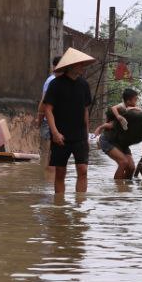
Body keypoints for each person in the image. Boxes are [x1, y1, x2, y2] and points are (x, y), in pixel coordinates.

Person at [42, 48, 95, 196]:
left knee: (83, 170)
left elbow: (85, 111)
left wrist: (86, 135)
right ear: (71, 66)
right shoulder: (55, 84)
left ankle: (80, 206)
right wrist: (55, 133)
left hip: (79, 135)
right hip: (61, 136)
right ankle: (59, 205)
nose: (82, 67)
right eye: (80, 64)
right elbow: (48, 110)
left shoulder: (84, 85)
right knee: (60, 172)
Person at [36, 55, 61, 181]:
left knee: (51, 154)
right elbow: (43, 102)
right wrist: (39, 119)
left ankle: (48, 181)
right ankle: (47, 182)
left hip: (56, 122)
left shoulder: (59, 81)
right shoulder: (52, 81)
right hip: (49, 122)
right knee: (48, 154)